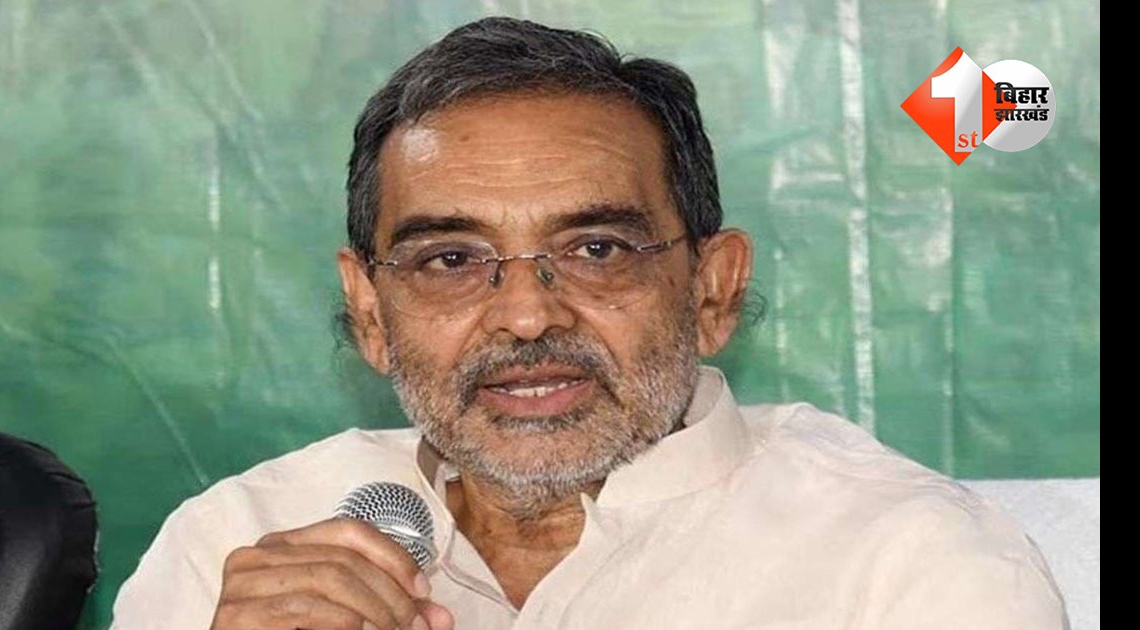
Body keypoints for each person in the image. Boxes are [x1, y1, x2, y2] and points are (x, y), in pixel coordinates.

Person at [111, 16, 1068, 630]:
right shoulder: (239, 548)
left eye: (596, 249)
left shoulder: (905, 566)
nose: (528, 315)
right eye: (451, 260)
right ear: (370, 311)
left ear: (712, 290)